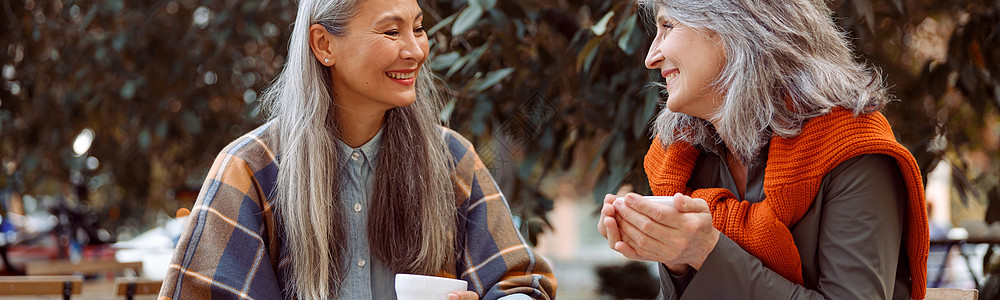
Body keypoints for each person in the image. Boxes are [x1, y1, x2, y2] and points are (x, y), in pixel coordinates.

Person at [158, 0, 555, 299]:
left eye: (417, 28)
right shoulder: (250, 169)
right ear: (323, 44)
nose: (417, 50)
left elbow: (518, 282)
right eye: (391, 32)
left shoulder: (452, 159)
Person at [598, 0, 929, 299]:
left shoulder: (852, 149)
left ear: (735, 26)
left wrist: (704, 252)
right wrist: (677, 256)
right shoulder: (682, 158)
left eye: (668, 26)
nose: (651, 57)